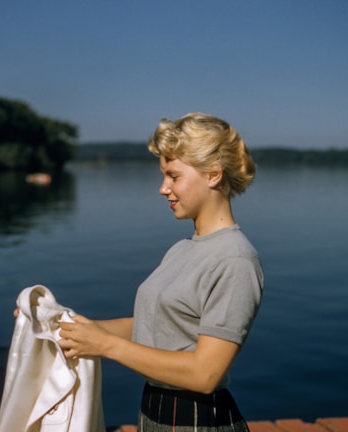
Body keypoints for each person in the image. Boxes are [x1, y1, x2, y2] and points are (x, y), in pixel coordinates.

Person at [58, 112, 264, 431]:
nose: (162, 188)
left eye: (173, 176)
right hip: (155, 413)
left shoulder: (235, 259)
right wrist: (74, 328)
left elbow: (205, 374)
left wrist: (106, 346)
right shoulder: (182, 248)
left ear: (212, 175)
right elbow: (157, 325)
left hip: (197, 421)